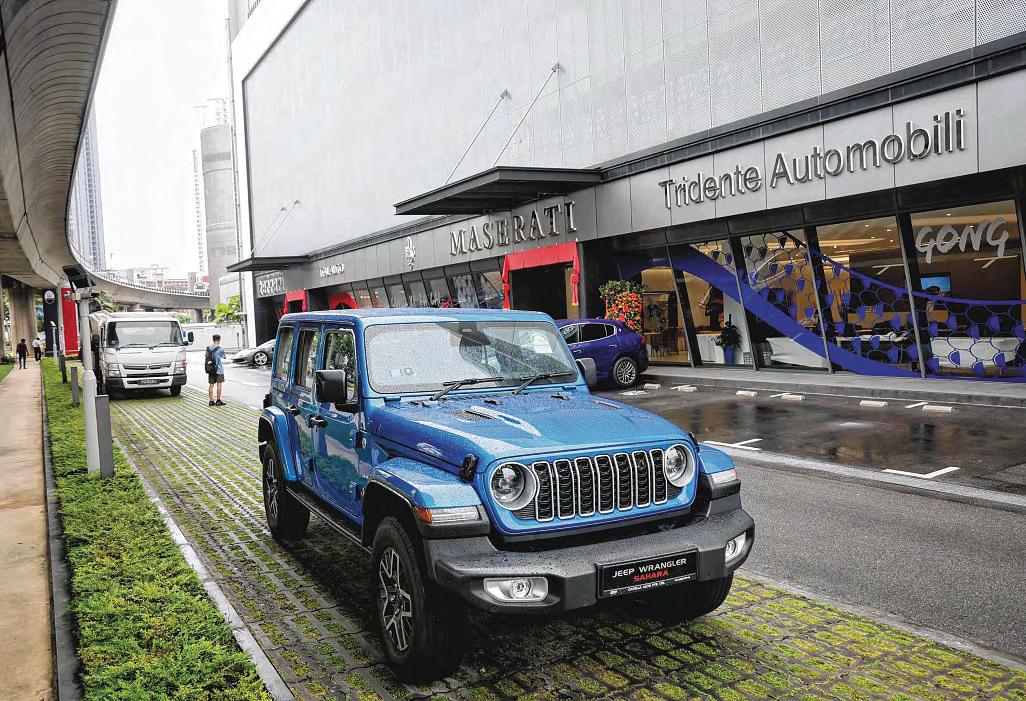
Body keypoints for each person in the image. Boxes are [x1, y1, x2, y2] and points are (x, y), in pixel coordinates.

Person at [205, 334, 227, 406]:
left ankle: (211, 401)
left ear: (213, 339)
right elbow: (224, 357)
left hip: (211, 369)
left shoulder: (208, 348)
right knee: (219, 385)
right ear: (219, 340)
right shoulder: (220, 349)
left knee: (211, 385)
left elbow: (206, 357)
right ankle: (218, 400)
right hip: (219, 369)